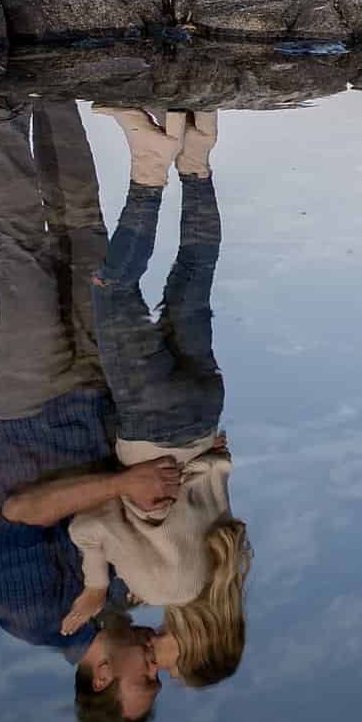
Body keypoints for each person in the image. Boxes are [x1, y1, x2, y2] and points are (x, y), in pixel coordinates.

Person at [0, 94, 183, 722]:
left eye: (142, 680)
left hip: (30, 407)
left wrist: (122, 487)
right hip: (100, 394)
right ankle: (57, 93)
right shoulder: (125, 593)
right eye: (158, 678)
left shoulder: (29, 618)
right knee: (85, 232)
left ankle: (2, 106)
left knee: (23, 255)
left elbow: (23, 511)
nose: (154, 670)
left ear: (100, 678)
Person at [61, 106, 251, 689]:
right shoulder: (170, 587)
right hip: (152, 421)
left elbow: (211, 485)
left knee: (193, 278)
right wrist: (97, 584)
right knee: (113, 290)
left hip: (203, 411)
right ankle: (148, 166)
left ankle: (196, 157)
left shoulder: (229, 572)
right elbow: (89, 526)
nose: (157, 670)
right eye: (170, 671)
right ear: (192, 647)